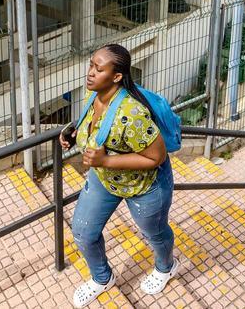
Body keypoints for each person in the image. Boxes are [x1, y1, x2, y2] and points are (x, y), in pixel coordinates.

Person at [60, 44, 179, 307]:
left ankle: (166, 266)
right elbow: (96, 130)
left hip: (146, 187)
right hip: (105, 180)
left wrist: (105, 160)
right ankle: (102, 278)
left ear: (116, 77)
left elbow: (156, 157)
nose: (90, 73)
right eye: (91, 65)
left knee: (154, 233)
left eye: (98, 69)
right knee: (83, 233)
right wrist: (72, 133)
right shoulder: (96, 96)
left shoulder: (132, 114)